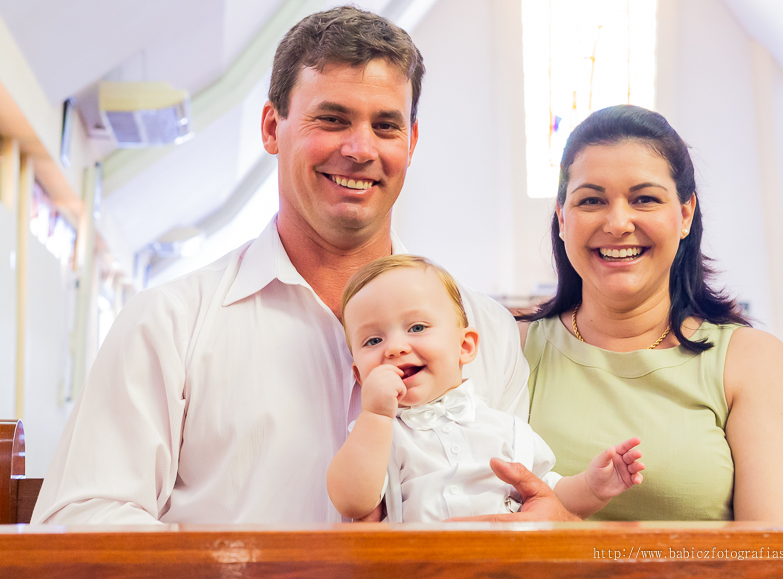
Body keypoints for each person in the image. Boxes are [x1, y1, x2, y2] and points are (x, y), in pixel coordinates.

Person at [31, 7, 541, 524]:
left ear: (410, 143)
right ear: (273, 128)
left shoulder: (485, 330)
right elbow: (80, 520)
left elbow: (521, 509)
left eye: (385, 125)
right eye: (332, 119)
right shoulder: (170, 323)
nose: (360, 148)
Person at [518, 105, 783, 521]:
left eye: (644, 199)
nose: (618, 222)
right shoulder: (512, 349)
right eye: (592, 200)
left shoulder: (753, 362)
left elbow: (778, 561)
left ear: (685, 214)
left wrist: (573, 530)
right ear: (562, 218)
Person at [327, 255, 644, 522]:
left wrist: (592, 487)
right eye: (373, 340)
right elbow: (352, 501)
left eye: (417, 327)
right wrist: (375, 415)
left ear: (465, 346)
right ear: (359, 374)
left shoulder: (507, 428)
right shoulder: (377, 436)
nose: (395, 347)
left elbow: (550, 496)